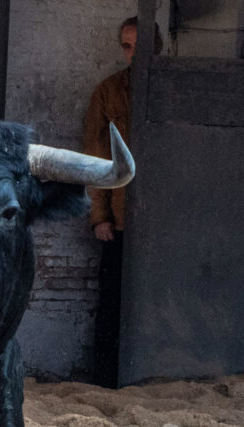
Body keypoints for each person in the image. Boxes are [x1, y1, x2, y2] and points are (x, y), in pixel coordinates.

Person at [82, 16, 160, 388]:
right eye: (127, 46)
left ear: (158, 47)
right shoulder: (108, 93)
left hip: (165, 220)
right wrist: (99, 215)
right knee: (113, 303)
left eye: (141, 46)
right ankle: (107, 383)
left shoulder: (177, 91)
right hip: (121, 217)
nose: (133, 54)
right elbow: (95, 155)